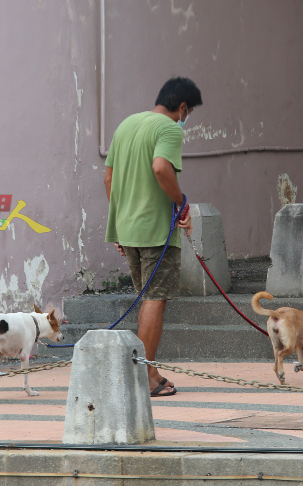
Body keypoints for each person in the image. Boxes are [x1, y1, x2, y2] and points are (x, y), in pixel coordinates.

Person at [103, 76, 202, 397]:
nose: (185, 119)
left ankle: (150, 372)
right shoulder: (170, 128)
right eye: (187, 113)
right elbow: (161, 168)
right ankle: (144, 376)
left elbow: (109, 178)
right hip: (156, 232)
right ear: (183, 107)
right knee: (154, 300)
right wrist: (181, 203)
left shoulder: (126, 125)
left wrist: (118, 222)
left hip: (127, 230)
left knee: (147, 298)